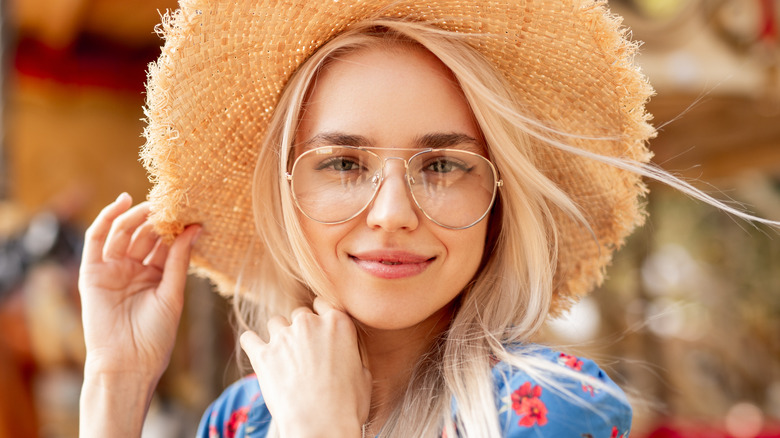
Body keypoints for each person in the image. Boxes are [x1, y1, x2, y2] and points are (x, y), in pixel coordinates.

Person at [76, 1, 778, 437]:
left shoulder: (547, 411)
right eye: (343, 164)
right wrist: (117, 383)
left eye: (442, 167)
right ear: (285, 195)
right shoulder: (242, 420)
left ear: (500, 202)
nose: (391, 215)